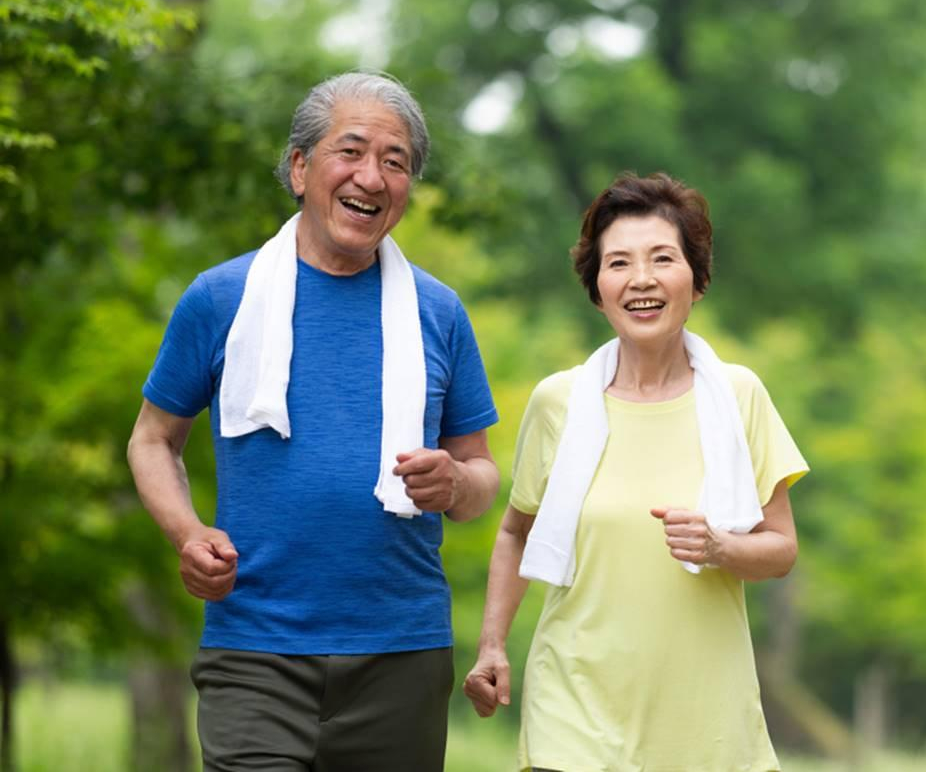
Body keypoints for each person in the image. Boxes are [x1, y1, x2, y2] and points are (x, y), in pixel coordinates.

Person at [127, 71, 500, 772]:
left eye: (396, 162)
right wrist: (188, 532)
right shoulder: (221, 298)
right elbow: (152, 439)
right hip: (255, 648)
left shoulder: (439, 311)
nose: (373, 176)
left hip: (402, 652)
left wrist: (455, 482)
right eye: (351, 151)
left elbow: (482, 478)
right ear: (300, 168)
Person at [462, 172, 809, 772]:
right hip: (574, 709)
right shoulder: (558, 402)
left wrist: (720, 546)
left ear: (695, 281)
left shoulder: (739, 396)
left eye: (662, 259)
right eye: (618, 263)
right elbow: (518, 531)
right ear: (597, 289)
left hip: (705, 723)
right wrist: (492, 644)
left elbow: (780, 550)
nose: (641, 279)